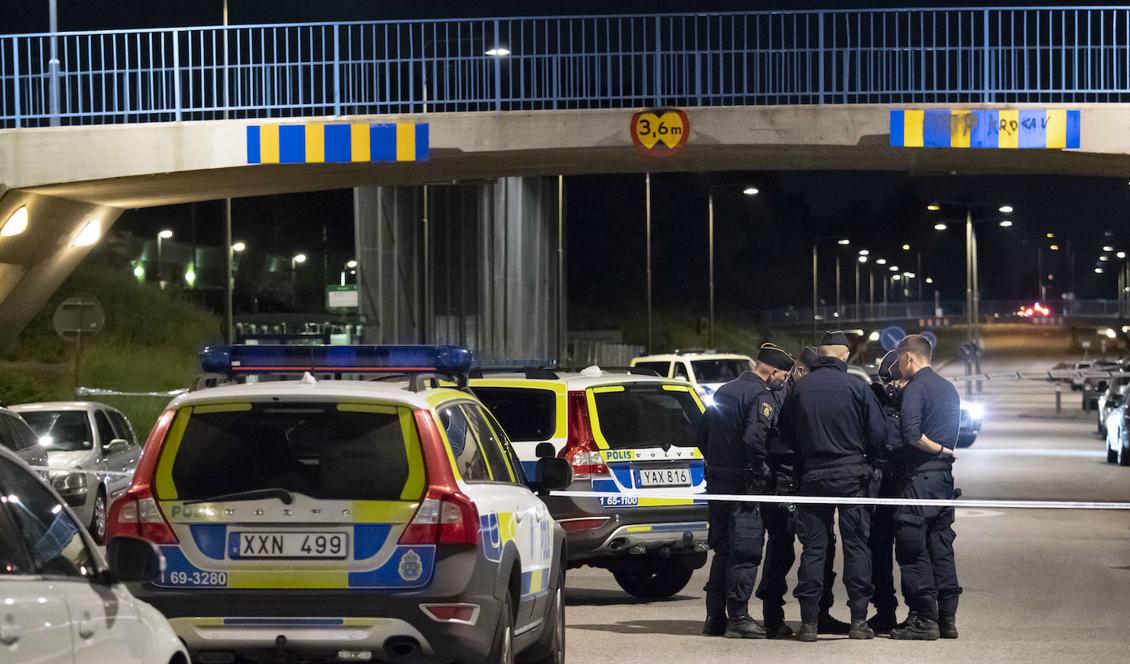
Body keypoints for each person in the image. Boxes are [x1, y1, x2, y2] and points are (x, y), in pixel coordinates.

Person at [779, 331, 889, 642]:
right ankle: (858, 621)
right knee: (856, 547)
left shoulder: (800, 389)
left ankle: (809, 624)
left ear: (820, 354)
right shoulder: (857, 387)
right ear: (844, 355)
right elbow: (879, 434)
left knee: (814, 549)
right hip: (852, 477)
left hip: (812, 475)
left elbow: (786, 432)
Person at [699, 343, 795, 639]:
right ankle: (739, 618)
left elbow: (701, 433)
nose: (784, 382)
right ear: (773, 371)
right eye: (784, 376)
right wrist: (761, 469)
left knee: (723, 550)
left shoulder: (724, 391)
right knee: (745, 550)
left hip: (719, 482)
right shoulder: (760, 395)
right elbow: (754, 438)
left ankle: (714, 618)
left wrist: (717, 462)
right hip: (744, 485)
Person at [756, 346, 851, 638]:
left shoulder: (806, 394)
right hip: (784, 481)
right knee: (781, 550)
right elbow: (771, 440)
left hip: (808, 481)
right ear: (799, 371)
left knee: (822, 548)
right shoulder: (781, 395)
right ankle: (773, 616)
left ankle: (820, 614)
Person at [888, 334, 963, 641]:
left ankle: (923, 619)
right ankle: (947, 618)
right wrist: (945, 452)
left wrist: (939, 450)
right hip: (944, 481)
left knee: (912, 549)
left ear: (908, 357)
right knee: (941, 548)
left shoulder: (916, 388)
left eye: (899, 360)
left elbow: (911, 434)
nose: (898, 367)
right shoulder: (949, 388)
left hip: (918, 480)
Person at [867, 350, 908, 634]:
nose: (890, 386)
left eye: (893, 380)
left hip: (902, 483)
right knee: (878, 552)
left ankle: (919, 612)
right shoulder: (876, 400)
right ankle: (885, 610)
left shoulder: (914, 398)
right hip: (883, 484)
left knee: (910, 551)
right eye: (886, 381)